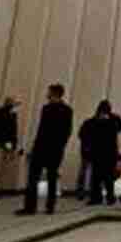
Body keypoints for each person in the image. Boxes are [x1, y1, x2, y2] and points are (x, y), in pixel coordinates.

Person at [16, 84, 73, 215]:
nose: (47, 94)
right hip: (52, 149)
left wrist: (37, 147)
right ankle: (49, 207)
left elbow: (44, 130)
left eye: (49, 92)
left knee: (36, 177)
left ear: (54, 93)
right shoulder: (64, 110)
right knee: (50, 177)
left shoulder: (49, 109)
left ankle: (32, 207)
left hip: (45, 148)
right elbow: (66, 131)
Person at [83, 100, 121, 205]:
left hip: (98, 152)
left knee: (97, 177)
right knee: (107, 177)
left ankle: (97, 197)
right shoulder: (111, 120)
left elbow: (84, 132)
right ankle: (109, 197)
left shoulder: (94, 121)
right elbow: (120, 126)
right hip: (108, 152)